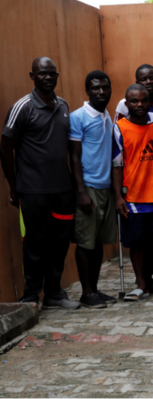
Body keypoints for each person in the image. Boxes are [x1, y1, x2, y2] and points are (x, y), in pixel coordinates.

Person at [0, 57, 79, 309]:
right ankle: (31, 296)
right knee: (34, 245)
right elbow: (5, 148)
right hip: (32, 191)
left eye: (51, 73)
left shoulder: (64, 105)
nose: (47, 77)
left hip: (62, 190)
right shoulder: (22, 107)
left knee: (59, 244)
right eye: (42, 73)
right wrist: (13, 186)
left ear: (57, 75)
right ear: (32, 76)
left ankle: (54, 294)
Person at [112, 84, 153, 300]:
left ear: (150, 101)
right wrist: (118, 197)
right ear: (126, 104)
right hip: (133, 195)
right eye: (134, 101)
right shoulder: (120, 127)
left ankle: (149, 280)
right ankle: (142, 284)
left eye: (144, 100)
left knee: (151, 241)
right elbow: (116, 165)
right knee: (136, 242)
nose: (139, 105)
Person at [69, 70, 117, 308]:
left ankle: (95, 290)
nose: (101, 92)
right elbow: (74, 157)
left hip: (106, 187)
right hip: (88, 187)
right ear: (87, 90)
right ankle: (86, 293)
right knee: (85, 242)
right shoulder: (78, 117)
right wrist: (81, 193)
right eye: (96, 88)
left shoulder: (108, 115)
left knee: (97, 242)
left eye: (105, 87)